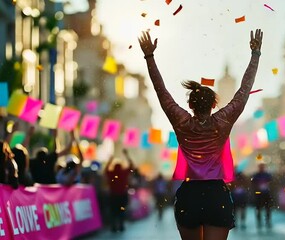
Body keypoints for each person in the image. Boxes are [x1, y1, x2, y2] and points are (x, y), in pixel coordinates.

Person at [138, 29, 262, 240]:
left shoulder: (181, 122)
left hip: (189, 196)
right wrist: (255, 54)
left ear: (190, 104)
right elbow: (244, 90)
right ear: (214, 104)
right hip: (216, 195)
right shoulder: (222, 122)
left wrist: (149, 56)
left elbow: (161, 91)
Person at [105, 149, 135, 232]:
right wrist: (127, 155)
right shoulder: (123, 173)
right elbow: (132, 166)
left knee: (113, 212)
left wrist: (110, 160)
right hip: (122, 195)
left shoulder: (111, 174)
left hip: (113, 196)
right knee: (121, 211)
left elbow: (106, 169)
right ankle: (121, 225)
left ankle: (114, 226)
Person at [251, 162, 273, 229]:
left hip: (266, 194)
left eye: (262, 167)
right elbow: (253, 184)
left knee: (267, 209)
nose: (261, 168)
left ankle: (267, 221)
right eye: (260, 167)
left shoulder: (267, 175)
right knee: (259, 209)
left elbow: (271, 183)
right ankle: (259, 221)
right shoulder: (256, 175)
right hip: (259, 195)